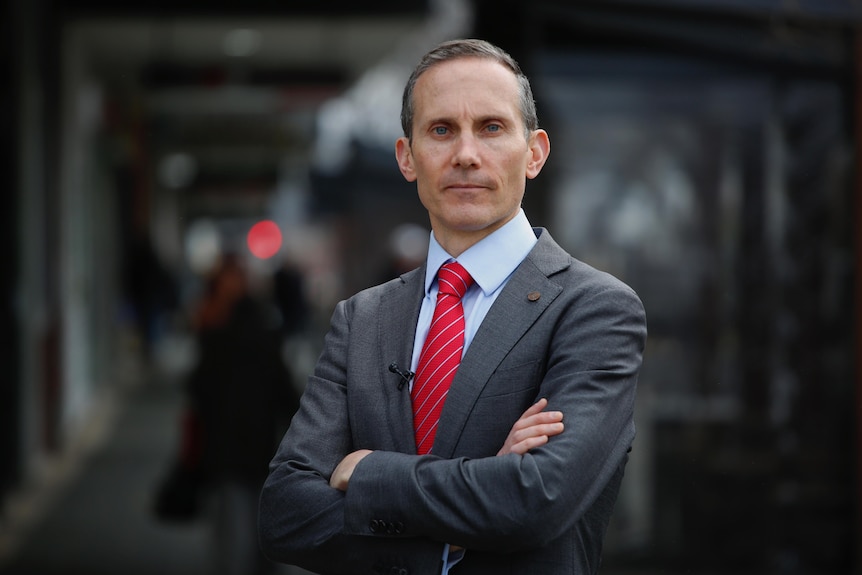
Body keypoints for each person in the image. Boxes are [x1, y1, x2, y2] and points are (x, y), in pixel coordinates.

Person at [259, 38, 647, 575]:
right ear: (407, 157)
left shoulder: (595, 311)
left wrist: (369, 474)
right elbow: (284, 513)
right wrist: (455, 529)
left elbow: (535, 502)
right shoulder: (361, 319)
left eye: (491, 128)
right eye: (441, 130)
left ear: (534, 153)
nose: (466, 153)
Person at [187, 253, 301, 575]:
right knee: (256, 523)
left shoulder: (213, 327)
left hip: (228, 443)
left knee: (233, 530)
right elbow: (284, 388)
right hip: (257, 441)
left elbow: (199, 388)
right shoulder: (261, 327)